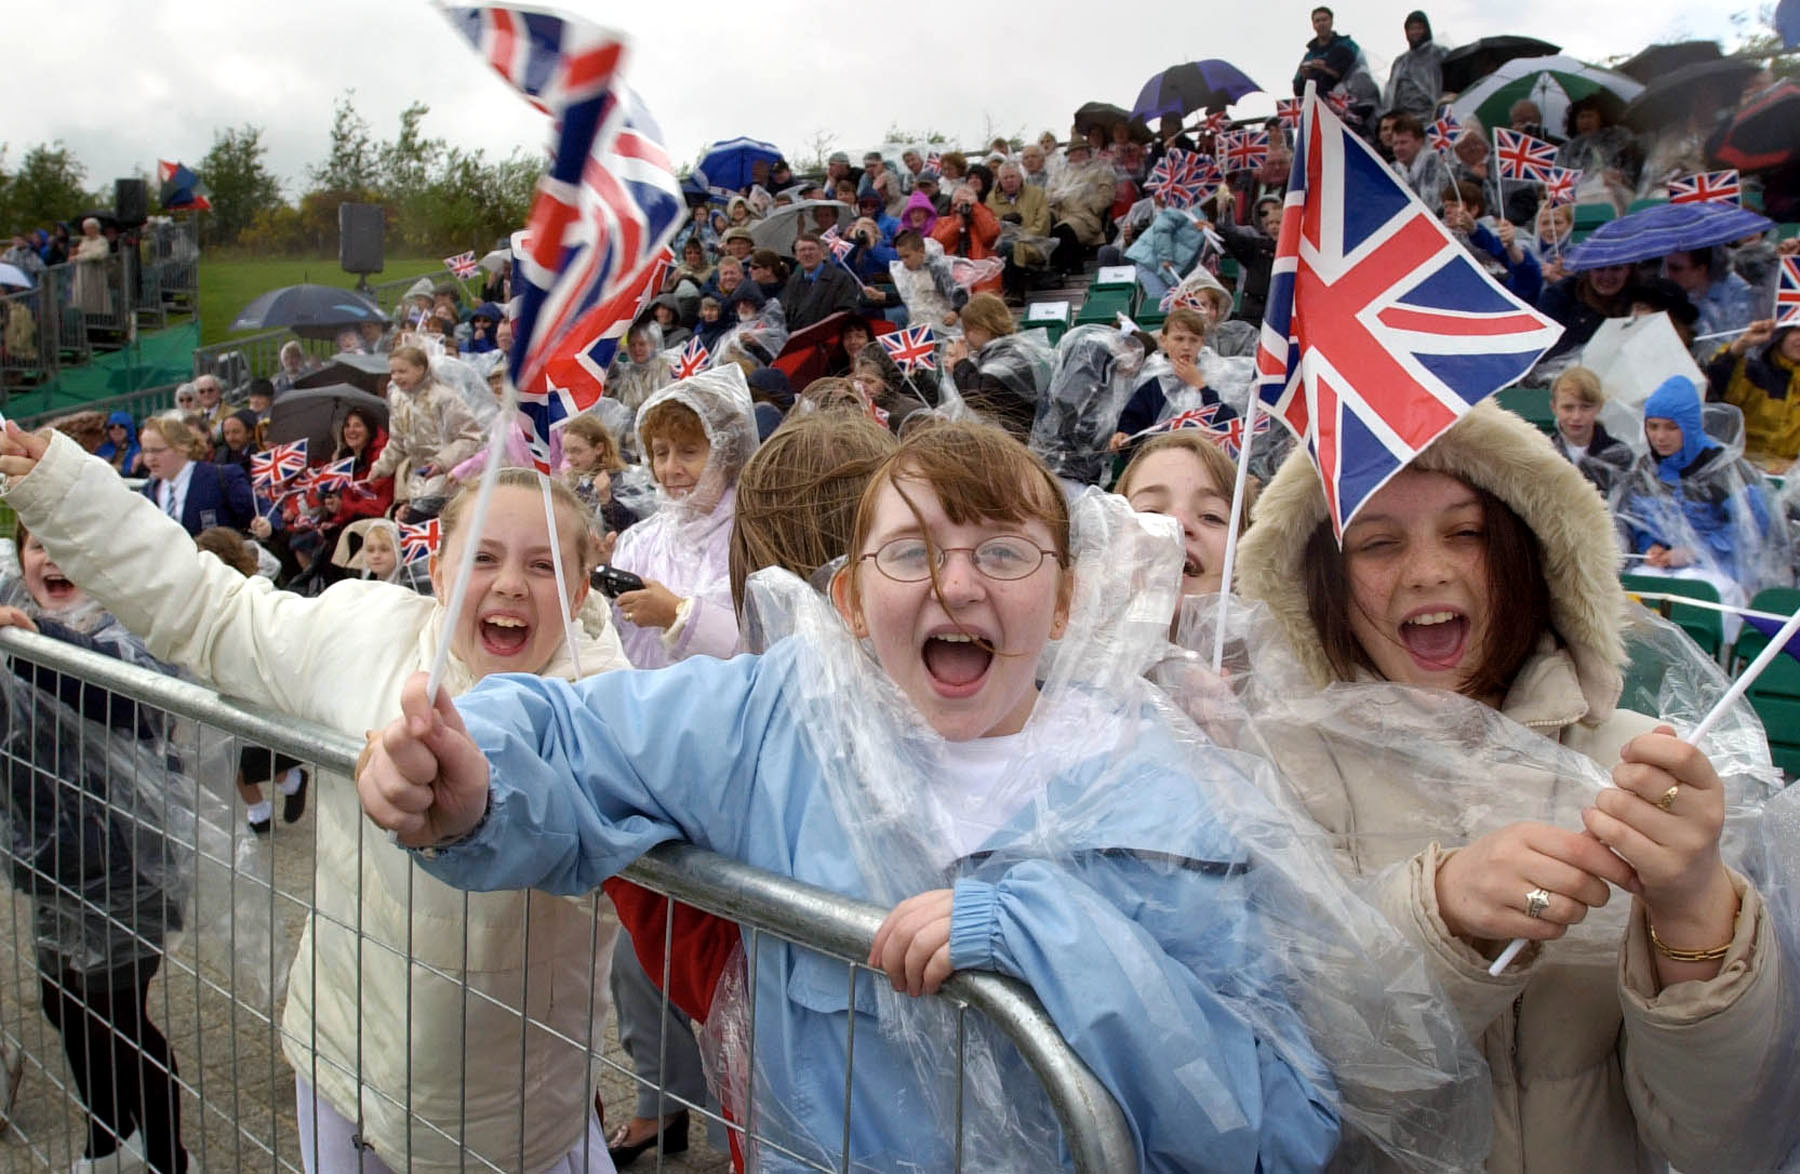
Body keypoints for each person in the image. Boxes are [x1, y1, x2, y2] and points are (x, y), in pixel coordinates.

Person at [356, 420, 1347, 1172]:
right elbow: (574, 736)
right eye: (910, 553)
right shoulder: (780, 721)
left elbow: (1272, 1123)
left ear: (1068, 599)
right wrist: (473, 779)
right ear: (848, 601)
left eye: (1002, 552)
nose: (956, 585)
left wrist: (1049, 939)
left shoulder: (1162, 798)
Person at [0, 420, 631, 1174]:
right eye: (483, 558)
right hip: (337, 1059)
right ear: (437, 572)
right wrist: (70, 494)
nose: (506, 584)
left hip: (499, 1119)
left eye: (543, 566)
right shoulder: (361, 630)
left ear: (584, 586)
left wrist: (475, 809)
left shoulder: (615, 709)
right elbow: (212, 609)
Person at [1236, 398, 1796, 1172]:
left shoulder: (1643, 769)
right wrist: (1439, 915)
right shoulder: (1267, 774)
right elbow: (1268, 1094)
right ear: (1322, 584)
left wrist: (1698, 916)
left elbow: (1734, 1142)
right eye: (1376, 544)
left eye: (1466, 534)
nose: (1428, 571)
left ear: (1534, 554)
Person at [0, 521, 191, 1173]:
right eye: (37, 546)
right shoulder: (16, 618)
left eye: (68, 542)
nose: (51, 558)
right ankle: (108, 1142)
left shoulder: (128, 623)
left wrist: (37, 645)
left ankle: (169, 1157)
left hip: (129, 866)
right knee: (62, 1003)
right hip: (55, 867)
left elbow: (125, 700)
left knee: (117, 1015)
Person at [1617, 375, 1775, 599]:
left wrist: (1695, 552)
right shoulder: (1646, 469)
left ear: (1689, 426)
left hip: (1724, 571)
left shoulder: (1724, 468)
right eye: (1653, 426)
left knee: (1695, 590)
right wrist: (1652, 547)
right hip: (1667, 567)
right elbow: (1639, 521)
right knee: (1639, 585)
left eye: (1671, 427)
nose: (1660, 437)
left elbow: (1750, 529)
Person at [1118, 429, 1255, 616]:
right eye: (1150, 511)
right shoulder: (1068, 643)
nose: (1178, 524)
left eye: (1211, 516)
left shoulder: (1277, 645)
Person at [368, 345, 485, 518]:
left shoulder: (444, 397)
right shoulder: (398, 399)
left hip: (450, 480)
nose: (396, 377)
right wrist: (381, 467)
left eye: (402, 371)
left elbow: (471, 437)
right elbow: (398, 442)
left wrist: (441, 463)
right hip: (419, 483)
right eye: (393, 372)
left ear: (420, 369)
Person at [1110, 307, 1240, 450]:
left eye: (1193, 340)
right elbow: (1134, 419)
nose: (1186, 347)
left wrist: (1201, 385)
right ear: (1164, 340)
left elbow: (1229, 424)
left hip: (1205, 458)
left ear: (1202, 343)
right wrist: (1125, 435)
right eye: (1179, 339)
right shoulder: (1153, 378)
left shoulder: (1217, 373)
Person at [1706, 318, 1800, 473]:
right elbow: (1716, 384)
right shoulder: (1752, 374)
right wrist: (1741, 345)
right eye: (1796, 330)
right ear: (1781, 333)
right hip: (1742, 475)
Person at [138, 414, 255, 536]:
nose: (150, 458)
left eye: (157, 450)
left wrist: (265, 526)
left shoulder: (222, 477)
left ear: (182, 447)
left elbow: (260, 512)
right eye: (145, 451)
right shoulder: (149, 491)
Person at [1440, 183, 1542, 303]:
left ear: (1473, 210)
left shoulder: (1498, 234)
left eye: (1454, 205)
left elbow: (1526, 277)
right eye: (1446, 206)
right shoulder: (1438, 235)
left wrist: (1475, 230)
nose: (1448, 211)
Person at [1548, 366, 1634, 493]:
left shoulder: (1620, 454)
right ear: (1554, 407)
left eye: (1585, 407)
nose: (1576, 417)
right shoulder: (1543, 452)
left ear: (1599, 407)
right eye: (1568, 408)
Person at [558, 413, 638, 537]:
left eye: (576, 451)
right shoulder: (576, 481)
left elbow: (632, 528)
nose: (569, 458)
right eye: (567, 451)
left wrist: (607, 500)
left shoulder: (621, 480)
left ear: (598, 448)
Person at [1044, 140, 1115, 275]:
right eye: (1075, 151)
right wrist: (1056, 197)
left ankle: (1071, 270)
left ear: (1089, 153)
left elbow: (1107, 193)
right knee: (1045, 224)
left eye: (1082, 150)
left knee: (1064, 231)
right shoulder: (1061, 172)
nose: (1079, 154)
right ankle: (1051, 272)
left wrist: (1090, 202)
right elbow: (1048, 194)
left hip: (1085, 216)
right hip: (1061, 213)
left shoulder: (1100, 169)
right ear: (1069, 155)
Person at [1538, 262, 1634, 359]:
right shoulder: (1559, 296)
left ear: (1628, 270)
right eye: (1599, 268)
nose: (1607, 276)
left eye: (1616, 268)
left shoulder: (1638, 297)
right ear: (1588, 271)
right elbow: (1539, 348)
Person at [986, 162, 1051, 301]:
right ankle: (1008, 292)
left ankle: (1014, 293)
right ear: (999, 181)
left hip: (1035, 242)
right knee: (1005, 247)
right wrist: (1003, 221)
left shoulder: (1037, 193)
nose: (1009, 181)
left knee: (1012, 248)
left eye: (1012, 176)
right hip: (1003, 241)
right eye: (1005, 178)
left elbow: (1043, 224)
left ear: (1020, 177)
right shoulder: (991, 199)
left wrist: (1021, 236)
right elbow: (989, 226)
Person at [1664, 248, 1758, 342]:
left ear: (1700, 270)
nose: (1668, 275)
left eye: (1676, 269)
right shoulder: (1673, 294)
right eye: (1666, 267)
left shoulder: (1736, 292)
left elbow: (1739, 338)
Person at [780, 233, 860, 332]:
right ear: (796, 256)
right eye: (802, 250)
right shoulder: (793, 281)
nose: (807, 253)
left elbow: (846, 312)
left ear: (822, 253)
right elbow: (785, 312)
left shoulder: (840, 279)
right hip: (798, 341)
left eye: (811, 249)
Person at [1383, 11, 1446, 123]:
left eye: (1419, 28)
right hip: (1404, 122)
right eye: (1411, 29)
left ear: (1426, 30)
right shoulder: (1400, 61)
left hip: (1431, 118)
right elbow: (1390, 97)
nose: (1415, 32)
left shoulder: (1439, 54)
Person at [1388, 115, 1451, 216]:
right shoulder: (1392, 169)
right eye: (1395, 144)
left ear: (1420, 141)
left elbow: (1432, 205)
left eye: (1404, 142)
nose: (1398, 148)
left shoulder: (1434, 161)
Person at [1293, 6, 1358, 96]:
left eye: (1324, 20)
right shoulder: (1309, 56)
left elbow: (1359, 69)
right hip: (1318, 99)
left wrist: (1323, 68)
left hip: (1346, 95)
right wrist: (1304, 77)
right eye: (1317, 21)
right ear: (1313, 25)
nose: (1321, 24)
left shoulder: (1347, 45)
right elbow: (1297, 89)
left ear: (1331, 21)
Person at [95, 410, 141, 476]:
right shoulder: (102, 448)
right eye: (112, 427)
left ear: (129, 428)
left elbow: (129, 471)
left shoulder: (136, 449)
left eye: (122, 426)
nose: (116, 429)